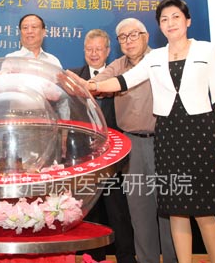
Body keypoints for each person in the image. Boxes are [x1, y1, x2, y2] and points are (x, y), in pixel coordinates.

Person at [73, 0, 215, 263]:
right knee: (175, 210)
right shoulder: (155, 58)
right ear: (159, 26)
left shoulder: (206, 50)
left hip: (200, 132)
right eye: (164, 19)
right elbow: (123, 81)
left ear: (188, 21)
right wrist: (87, 85)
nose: (170, 23)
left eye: (176, 17)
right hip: (168, 136)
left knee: (204, 211)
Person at [93, 20, 177, 263]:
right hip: (132, 145)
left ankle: (173, 259)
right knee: (140, 211)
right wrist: (81, 84)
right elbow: (98, 82)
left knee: (170, 209)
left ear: (146, 36)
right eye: (122, 37)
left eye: (133, 35)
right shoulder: (118, 66)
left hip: (164, 142)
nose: (128, 41)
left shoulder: (161, 58)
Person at [69, 29, 136, 263]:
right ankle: (93, 258)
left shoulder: (118, 77)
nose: (94, 53)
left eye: (98, 49)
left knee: (118, 210)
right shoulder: (73, 77)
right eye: (89, 49)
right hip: (84, 159)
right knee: (90, 212)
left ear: (108, 51)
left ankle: (126, 257)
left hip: (113, 157)